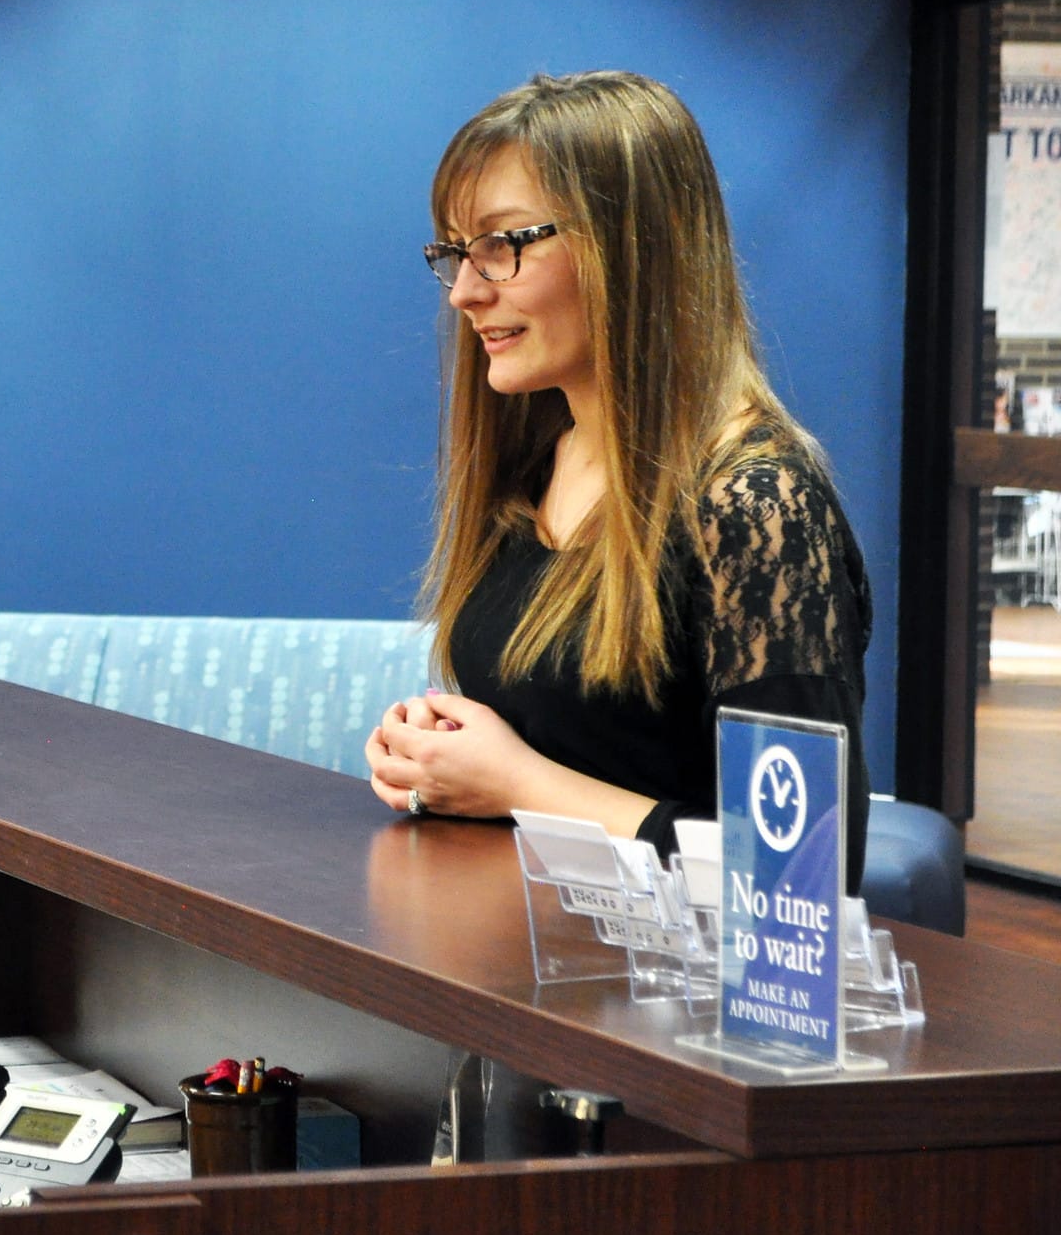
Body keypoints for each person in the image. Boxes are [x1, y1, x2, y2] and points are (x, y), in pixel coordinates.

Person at [365, 71, 872, 890]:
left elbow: (799, 874)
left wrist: (519, 783)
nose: (464, 290)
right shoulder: (536, 470)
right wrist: (439, 751)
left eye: (502, 245)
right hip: (508, 960)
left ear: (631, 245)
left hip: (671, 1005)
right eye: (456, 252)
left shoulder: (756, 506)